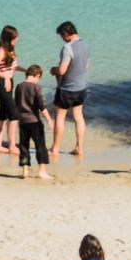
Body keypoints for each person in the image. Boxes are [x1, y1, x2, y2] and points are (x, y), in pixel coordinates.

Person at [49, 21, 90, 160]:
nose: (62, 39)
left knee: (60, 117)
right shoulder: (85, 45)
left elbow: (62, 70)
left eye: (62, 36)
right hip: (81, 87)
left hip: (66, 88)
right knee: (79, 117)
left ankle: (55, 148)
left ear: (66, 34)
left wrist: (53, 70)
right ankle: (79, 147)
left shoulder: (67, 48)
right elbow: (86, 67)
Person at [13, 64, 52, 181]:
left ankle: (24, 170)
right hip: (34, 121)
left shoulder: (19, 86)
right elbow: (41, 106)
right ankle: (42, 171)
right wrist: (49, 120)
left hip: (22, 121)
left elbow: (16, 104)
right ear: (37, 75)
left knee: (24, 146)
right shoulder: (36, 87)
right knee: (40, 146)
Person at [0, 26, 20, 159]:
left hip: (8, 82)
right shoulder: (1, 50)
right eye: (15, 37)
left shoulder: (11, 50)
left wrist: (26, 70)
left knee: (3, 114)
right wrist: (6, 77)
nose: (17, 39)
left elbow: (12, 66)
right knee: (14, 114)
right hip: (1, 84)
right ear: (8, 38)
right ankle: (12, 146)